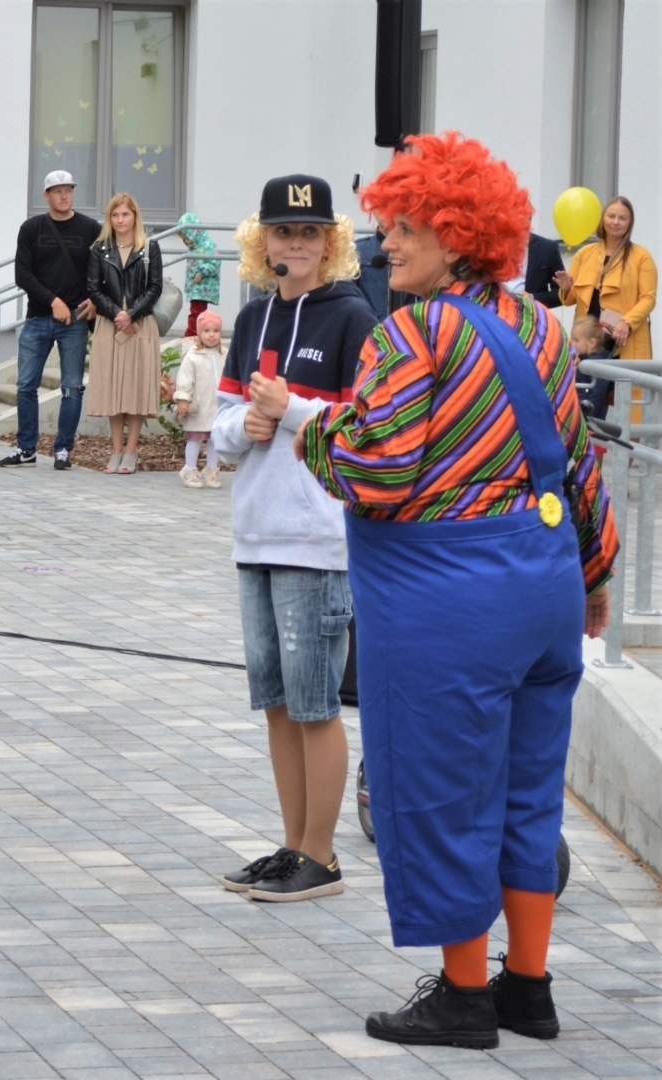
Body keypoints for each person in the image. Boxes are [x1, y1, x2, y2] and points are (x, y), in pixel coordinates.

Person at [299, 133, 618, 1049]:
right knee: (527, 795)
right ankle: (530, 988)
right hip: (545, 591)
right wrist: (593, 577)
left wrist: (311, 437)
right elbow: (580, 466)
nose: (385, 242)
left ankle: (465, 996)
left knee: (442, 792)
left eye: (405, 228)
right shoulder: (537, 330)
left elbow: (378, 467)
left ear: (456, 235)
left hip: (448, 602)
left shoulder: (414, 331)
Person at [211, 173, 374, 904]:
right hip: (256, 533)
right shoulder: (250, 322)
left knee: (315, 703)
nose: (295, 243)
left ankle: (323, 857)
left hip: (316, 540)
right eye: (283, 231)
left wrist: (296, 409)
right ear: (262, 241)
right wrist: (240, 427)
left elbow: (370, 432)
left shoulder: (353, 319)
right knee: (277, 701)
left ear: (331, 241)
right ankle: (291, 845)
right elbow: (216, 433)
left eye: (309, 232)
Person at [2, 170, 98, 470]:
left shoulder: (90, 229)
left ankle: (63, 450)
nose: (64, 195)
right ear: (46, 195)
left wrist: (96, 300)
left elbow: (102, 270)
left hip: (77, 320)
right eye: (57, 191)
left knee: (72, 387)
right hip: (38, 317)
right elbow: (23, 274)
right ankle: (26, 449)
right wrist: (53, 301)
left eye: (68, 190)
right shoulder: (31, 228)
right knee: (26, 386)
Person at [85, 192, 162, 474]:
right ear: (110, 218)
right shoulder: (99, 249)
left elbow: (155, 287)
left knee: (136, 388)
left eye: (125, 214)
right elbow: (93, 287)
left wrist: (132, 313)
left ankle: (131, 452)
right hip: (109, 323)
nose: (120, 220)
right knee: (113, 389)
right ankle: (115, 451)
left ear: (134, 217)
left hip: (141, 325)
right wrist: (117, 313)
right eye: (115, 215)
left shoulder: (150, 247)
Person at [554, 196, 656, 359]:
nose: (616, 222)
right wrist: (565, 289)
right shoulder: (584, 253)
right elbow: (570, 299)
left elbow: (648, 299)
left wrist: (627, 322)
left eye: (622, 218)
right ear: (603, 219)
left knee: (622, 383)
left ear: (629, 224)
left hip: (622, 340)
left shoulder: (641, 256)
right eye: (611, 216)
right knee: (586, 384)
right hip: (588, 342)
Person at [172, 310, 224, 489]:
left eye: (215, 331)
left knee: (214, 439)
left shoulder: (224, 354)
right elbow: (184, 381)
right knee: (195, 438)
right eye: (207, 330)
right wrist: (183, 400)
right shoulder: (192, 357)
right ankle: (189, 469)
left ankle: (211, 469)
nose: (211, 335)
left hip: (218, 406)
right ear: (199, 333)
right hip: (199, 406)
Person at [177, 211, 222, 339]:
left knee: (196, 311)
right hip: (196, 287)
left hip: (203, 287)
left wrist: (201, 271)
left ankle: (192, 333)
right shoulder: (194, 248)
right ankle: (197, 332)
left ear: (193, 232)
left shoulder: (207, 245)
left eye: (186, 237)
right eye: (183, 239)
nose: (185, 241)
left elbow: (215, 263)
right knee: (196, 310)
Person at [571, 316, 613, 420]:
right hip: (582, 415)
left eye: (576, 340)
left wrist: (586, 415)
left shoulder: (597, 365)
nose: (572, 343)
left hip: (590, 419)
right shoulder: (585, 360)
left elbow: (597, 393)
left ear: (592, 343)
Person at [515, 233, 564, 309]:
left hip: (528, 313)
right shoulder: (492, 242)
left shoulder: (547, 248)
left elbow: (561, 292)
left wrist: (533, 297)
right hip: (494, 311)